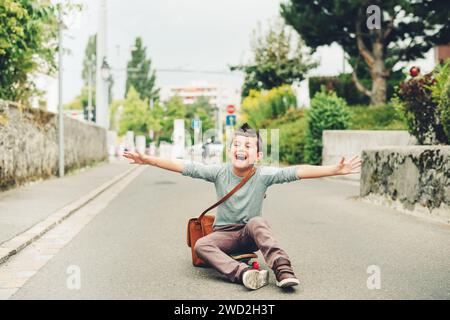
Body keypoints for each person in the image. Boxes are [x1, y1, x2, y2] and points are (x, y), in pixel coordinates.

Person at [123, 123, 362, 290]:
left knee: (258, 222)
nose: (240, 149)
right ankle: (244, 274)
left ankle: (282, 269)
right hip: (224, 235)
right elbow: (185, 167)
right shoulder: (218, 172)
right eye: (237, 145)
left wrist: (334, 169)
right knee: (202, 245)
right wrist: (148, 160)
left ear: (257, 155)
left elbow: (296, 171)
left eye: (247, 147)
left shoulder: (264, 175)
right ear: (229, 151)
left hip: (250, 234)